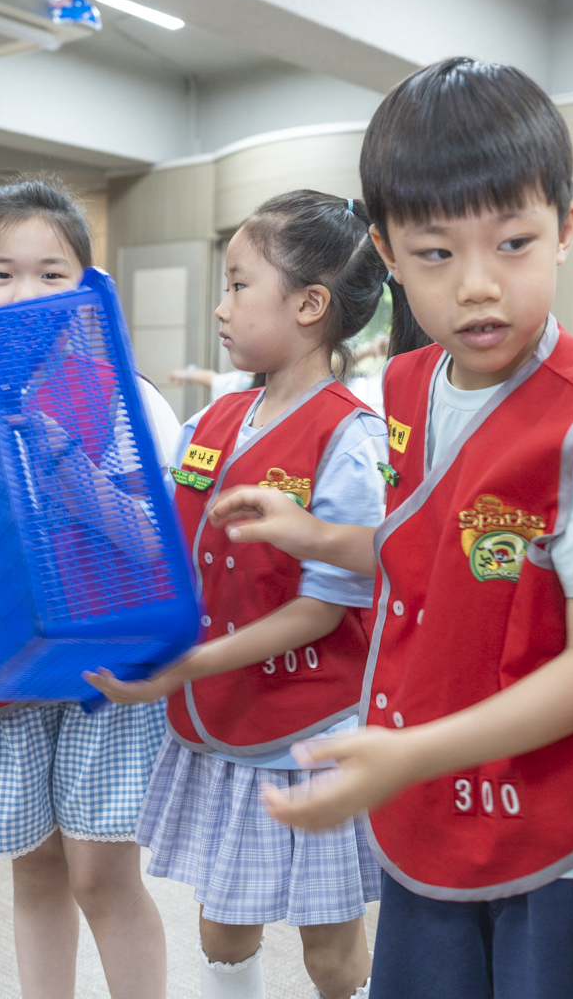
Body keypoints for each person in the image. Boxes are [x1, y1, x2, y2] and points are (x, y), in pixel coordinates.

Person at [206, 58, 573, 999]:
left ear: (565, 230)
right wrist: (315, 535)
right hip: (428, 809)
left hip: (557, 838)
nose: (477, 287)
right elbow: (434, 560)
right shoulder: (408, 385)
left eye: (514, 244)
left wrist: (411, 753)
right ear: (385, 251)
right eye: (434, 254)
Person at [87, 190, 390, 999]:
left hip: (306, 735)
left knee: (330, 950)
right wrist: (73, 482)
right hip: (219, 727)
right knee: (222, 929)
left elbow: (322, 610)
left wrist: (189, 664)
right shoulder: (216, 419)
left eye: (238, 285)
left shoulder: (348, 437)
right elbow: (158, 537)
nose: (220, 307)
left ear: (309, 306)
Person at [0, 176, 176, 999]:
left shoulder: (129, 400)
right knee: (37, 867)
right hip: (6, 667)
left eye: (51, 273)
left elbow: (150, 543)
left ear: (86, 287)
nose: (25, 292)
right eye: (1, 273)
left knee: (102, 873)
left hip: (104, 672)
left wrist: (64, 465)